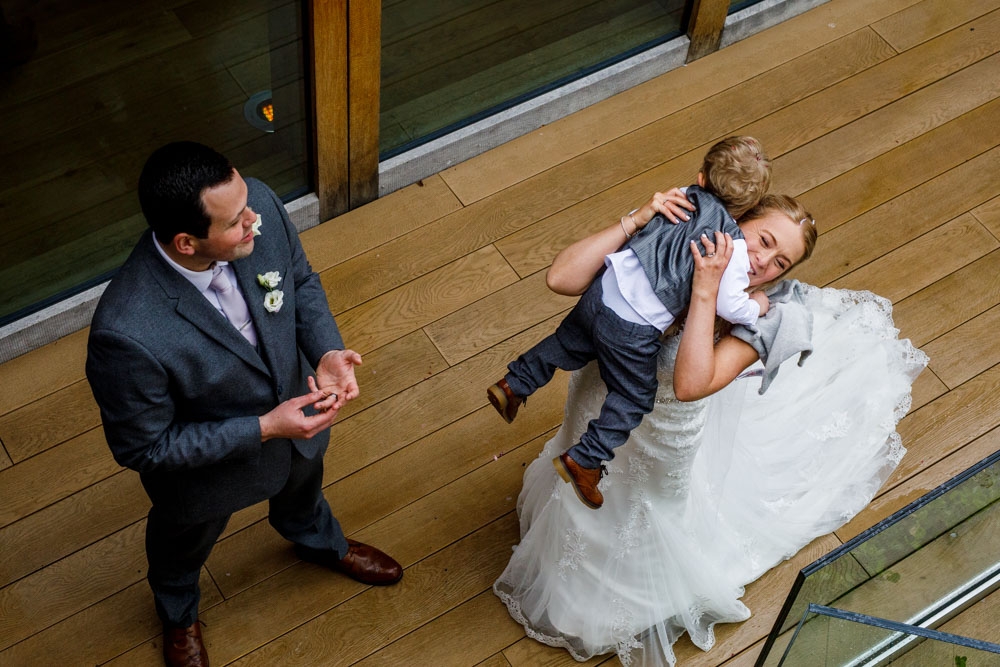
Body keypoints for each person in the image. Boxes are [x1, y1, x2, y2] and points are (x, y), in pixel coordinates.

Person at [493, 191, 928, 666]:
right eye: (761, 240)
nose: (762, 262)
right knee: (580, 475)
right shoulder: (676, 237)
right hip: (594, 407)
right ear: (733, 220)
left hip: (662, 439)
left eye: (779, 262)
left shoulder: (764, 316)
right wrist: (638, 218)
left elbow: (689, 383)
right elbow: (561, 278)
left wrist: (705, 290)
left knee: (634, 510)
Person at [86, 142, 403, 667]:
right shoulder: (125, 333)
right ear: (187, 242)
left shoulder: (257, 206)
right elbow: (145, 448)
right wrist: (263, 428)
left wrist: (325, 352)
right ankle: (179, 612)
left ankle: (318, 541)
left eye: (247, 202)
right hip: (205, 476)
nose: (253, 217)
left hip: (299, 420)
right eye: (236, 221)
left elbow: (299, 281)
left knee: (305, 489)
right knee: (181, 548)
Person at [487, 137, 782, 510]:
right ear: (749, 207)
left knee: (567, 341)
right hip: (633, 325)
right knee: (633, 395)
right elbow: (728, 301)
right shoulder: (731, 243)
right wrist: (754, 307)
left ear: (702, 177)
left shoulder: (675, 198)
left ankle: (514, 383)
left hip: (602, 291)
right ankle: (586, 459)